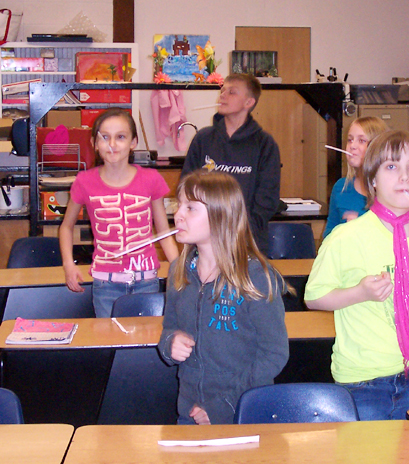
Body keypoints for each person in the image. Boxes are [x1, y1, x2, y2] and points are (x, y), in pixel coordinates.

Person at [304, 130, 409, 420]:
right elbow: (313, 297)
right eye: (391, 166)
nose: (404, 177)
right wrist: (360, 293)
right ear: (373, 180)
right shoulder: (347, 237)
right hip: (361, 381)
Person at [158, 170, 289, 425]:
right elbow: (168, 329)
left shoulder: (255, 277)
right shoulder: (178, 271)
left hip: (242, 414)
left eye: (190, 208)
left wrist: (222, 406)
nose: (178, 214)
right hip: (190, 412)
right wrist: (170, 343)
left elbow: (274, 354)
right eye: (179, 205)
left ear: (221, 215)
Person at [60, 108, 179, 318]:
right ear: (94, 143)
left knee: (145, 338)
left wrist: (179, 268)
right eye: (105, 137)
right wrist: (69, 264)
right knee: (109, 336)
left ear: (133, 142)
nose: (112, 144)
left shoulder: (151, 179)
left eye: (121, 137)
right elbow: (66, 227)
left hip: (146, 282)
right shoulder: (84, 181)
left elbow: (163, 232)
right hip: (106, 285)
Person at [182, 73, 281, 254]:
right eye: (223, 91)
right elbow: (187, 187)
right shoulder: (203, 139)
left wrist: (241, 231)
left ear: (249, 102)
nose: (223, 95)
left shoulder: (265, 144)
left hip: (247, 242)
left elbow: (267, 199)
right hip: (204, 241)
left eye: (232, 92)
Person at [323, 116, 388, 237]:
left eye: (361, 140)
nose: (352, 145)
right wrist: (343, 231)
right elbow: (328, 236)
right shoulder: (341, 187)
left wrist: (361, 228)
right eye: (350, 140)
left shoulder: (391, 191)